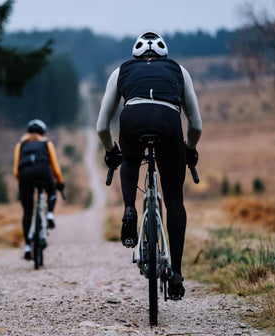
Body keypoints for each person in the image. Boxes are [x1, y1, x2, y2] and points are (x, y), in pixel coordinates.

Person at [96, 31, 202, 300]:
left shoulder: (121, 71)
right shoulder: (179, 70)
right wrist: (188, 149)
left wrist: (111, 151)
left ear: (135, 55)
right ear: (164, 55)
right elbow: (196, 125)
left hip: (133, 120)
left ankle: (130, 210)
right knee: (175, 201)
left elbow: (101, 127)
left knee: (130, 158)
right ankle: (176, 274)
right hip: (168, 123)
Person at [13, 119, 65, 260]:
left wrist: (23, 182)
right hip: (43, 173)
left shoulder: (20, 145)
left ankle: (28, 246)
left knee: (27, 212)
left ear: (27, 132)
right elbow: (55, 166)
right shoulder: (46, 143)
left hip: (25, 176)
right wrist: (59, 182)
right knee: (52, 191)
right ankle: (49, 214)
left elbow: (16, 170)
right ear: (43, 133)